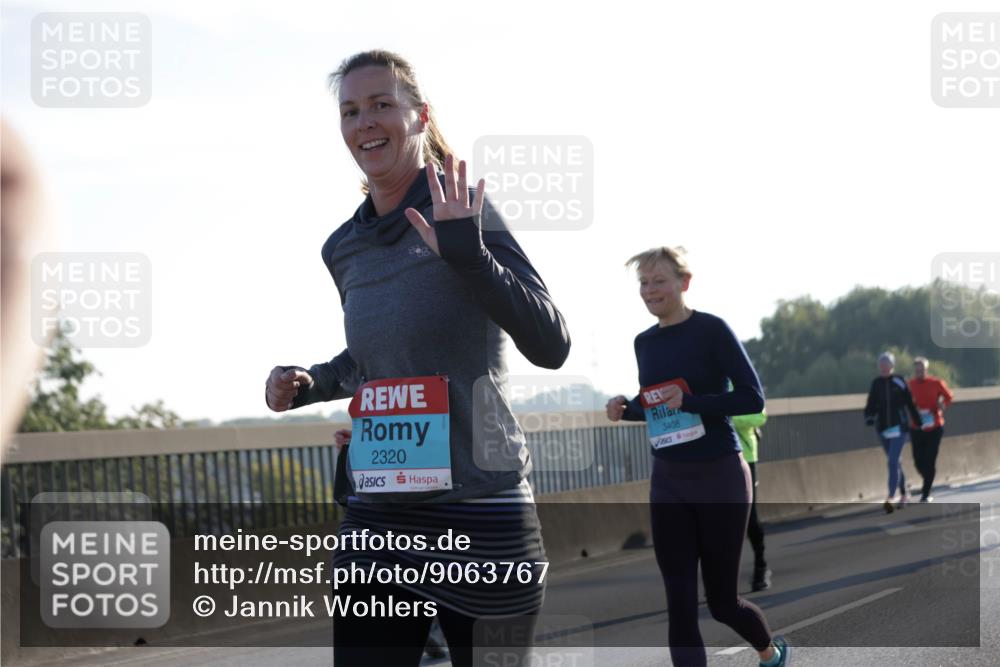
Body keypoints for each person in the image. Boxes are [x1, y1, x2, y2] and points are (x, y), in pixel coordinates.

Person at [265, 50, 570, 667]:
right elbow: (373, 359)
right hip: (378, 514)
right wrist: (310, 382)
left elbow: (552, 343)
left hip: (479, 508)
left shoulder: (464, 213)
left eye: (381, 104)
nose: (364, 122)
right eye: (350, 110)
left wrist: (469, 256)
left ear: (419, 116)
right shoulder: (343, 247)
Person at [605, 247, 789, 667]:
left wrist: (692, 402)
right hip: (669, 480)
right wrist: (626, 407)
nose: (650, 291)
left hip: (720, 476)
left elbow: (750, 397)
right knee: (680, 603)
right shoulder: (644, 342)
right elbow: (657, 404)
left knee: (722, 602)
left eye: (659, 281)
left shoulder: (712, 331)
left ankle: (770, 654)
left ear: (684, 283)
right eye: (644, 284)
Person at [863, 352, 922, 514]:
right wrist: (868, 416)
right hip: (883, 429)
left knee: (892, 461)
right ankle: (904, 493)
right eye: (881, 365)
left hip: (899, 428)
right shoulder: (876, 384)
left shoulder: (899, 381)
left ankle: (891, 495)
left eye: (886, 364)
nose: (883, 367)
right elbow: (871, 404)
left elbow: (910, 403)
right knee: (895, 462)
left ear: (892, 366)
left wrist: (918, 421)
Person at [731, 406, 770, 591]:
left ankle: (760, 566)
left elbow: (759, 415)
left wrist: (726, 415)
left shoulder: (739, 377)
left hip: (745, 456)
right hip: (715, 457)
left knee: (750, 518)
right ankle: (719, 577)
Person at [907, 357, 955, 503]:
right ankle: (928, 480)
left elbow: (948, 396)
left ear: (926, 370)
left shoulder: (936, 383)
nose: (919, 372)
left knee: (930, 460)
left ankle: (926, 492)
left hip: (934, 427)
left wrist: (942, 405)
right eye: (917, 370)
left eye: (921, 370)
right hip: (917, 427)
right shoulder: (910, 385)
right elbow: (904, 400)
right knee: (917, 460)